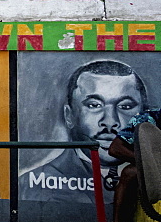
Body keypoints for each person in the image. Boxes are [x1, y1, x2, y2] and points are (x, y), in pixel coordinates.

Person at [20, 60, 148, 204]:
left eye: (125, 106)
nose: (110, 122)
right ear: (69, 116)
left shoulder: (152, 174)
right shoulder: (30, 186)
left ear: (144, 115)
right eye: (94, 105)